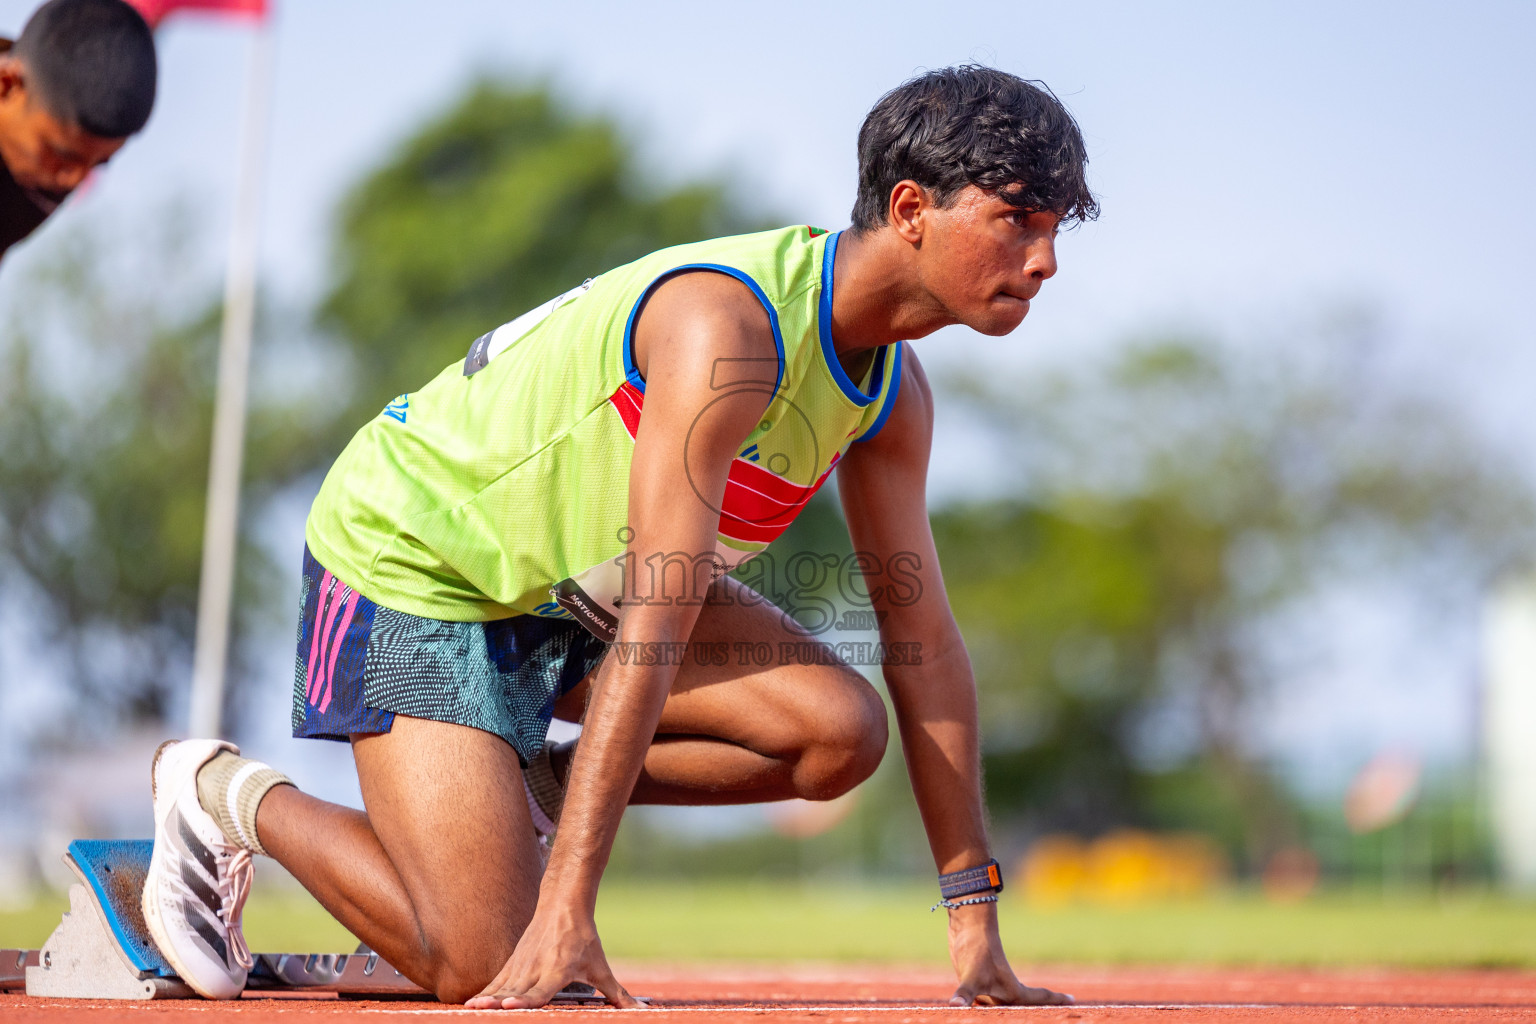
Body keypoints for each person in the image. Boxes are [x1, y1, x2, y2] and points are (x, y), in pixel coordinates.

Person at [141, 64, 1099, 1008]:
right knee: (480, 960)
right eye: (1018, 220)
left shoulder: (892, 397)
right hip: (422, 561)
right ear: (909, 208)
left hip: (575, 597)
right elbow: (658, 616)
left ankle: (523, 804)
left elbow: (923, 644)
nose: (1045, 260)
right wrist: (567, 905)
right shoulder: (727, 329)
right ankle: (221, 792)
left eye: (1055, 231)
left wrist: (974, 926)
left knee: (838, 735)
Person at [0, 0, 155, 262]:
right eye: (61, 154)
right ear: (7, 86)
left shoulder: (44, 174)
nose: (75, 180)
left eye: (99, 163)